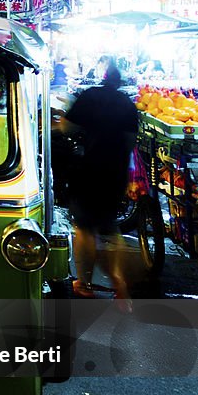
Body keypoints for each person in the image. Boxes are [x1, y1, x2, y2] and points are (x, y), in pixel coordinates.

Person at [61, 60, 139, 310]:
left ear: (101, 77)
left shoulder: (89, 96)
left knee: (84, 228)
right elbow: (130, 141)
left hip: (88, 168)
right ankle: (118, 282)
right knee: (109, 228)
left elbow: (66, 126)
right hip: (115, 172)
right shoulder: (127, 104)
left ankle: (84, 284)